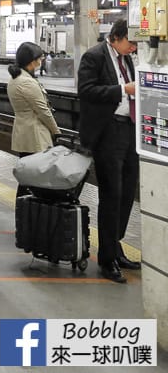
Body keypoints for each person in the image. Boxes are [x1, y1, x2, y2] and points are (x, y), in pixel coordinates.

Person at [78, 18, 141, 283]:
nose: (134, 47)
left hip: (129, 129)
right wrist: (122, 90)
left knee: (127, 193)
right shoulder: (93, 57)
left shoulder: (127, 58)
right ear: (116, 37)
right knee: (111, 195)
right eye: (131, 42)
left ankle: (116, 247)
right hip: (108, 133)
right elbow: (86, 91)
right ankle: (106, 260)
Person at [7, 41, 59, 157]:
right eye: (40, 57)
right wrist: (56, 132)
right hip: (35, 135)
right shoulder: (27, 82)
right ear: (33, 60)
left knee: (28, 170)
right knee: (38, 172)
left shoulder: (15, 79)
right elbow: (43, 111)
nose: (42, 60)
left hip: (23, 133)